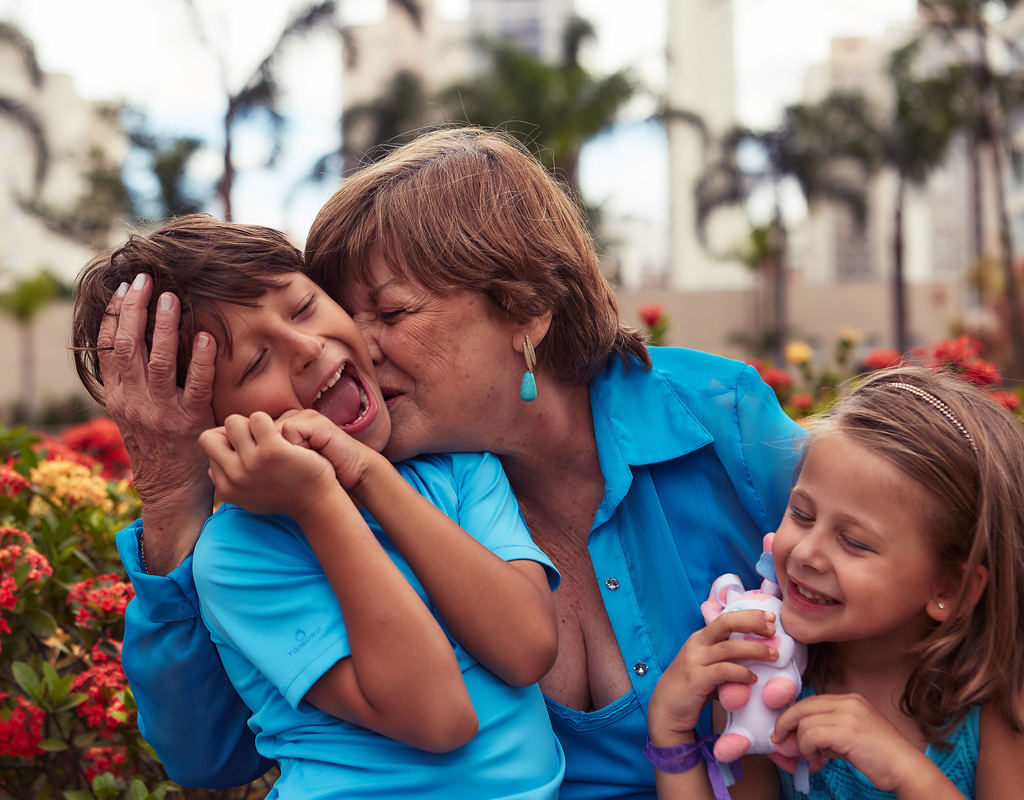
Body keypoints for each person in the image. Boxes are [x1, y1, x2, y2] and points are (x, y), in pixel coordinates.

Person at [92, 127, 806, 798]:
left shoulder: (715, 416)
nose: (350, 346)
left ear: (526, 307)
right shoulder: (361, 491)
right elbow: (210, 753)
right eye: (345, 310)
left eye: (391, 314)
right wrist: (173, 495)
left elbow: (871, 585)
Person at [71, 215, 565, 798]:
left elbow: (527, 649)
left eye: (304, 307)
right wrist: (319, 501)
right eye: (255, 364)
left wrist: (366, 473)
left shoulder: (456, 467)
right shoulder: (240, 553)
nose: (307, 348)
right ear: (215, 428)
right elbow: (439, 718)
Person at [646, 367, 1024, 799]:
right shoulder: (762, 671)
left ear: (949, 589)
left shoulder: (998, 704)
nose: (806, 553)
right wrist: (670, 732)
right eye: (802, 514)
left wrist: (905, 772)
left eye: (855, 541)